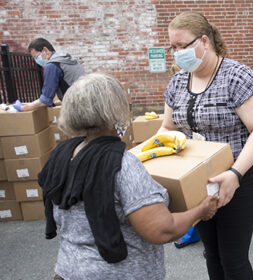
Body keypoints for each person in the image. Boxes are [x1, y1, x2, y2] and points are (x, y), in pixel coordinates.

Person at [38, 73, 219, 280]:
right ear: (115, 110)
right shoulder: (122, 165)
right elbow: (162, 230)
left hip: (67, 270)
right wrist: (201, 211)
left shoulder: (62, 155)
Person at [159, 11, 253, 279]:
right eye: (172, 48)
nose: (176, 53)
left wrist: (235, 175)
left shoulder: (236, 76)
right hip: (199, 181)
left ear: (205, 41)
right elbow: (166, 128)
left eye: (182, 46)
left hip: (239, 178)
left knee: (233, 259)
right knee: (212, 254)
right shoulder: (177, 82)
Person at [14, 38, 85, 112]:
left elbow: (45, 100)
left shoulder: (52, 65)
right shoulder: (67, 59)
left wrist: (23, 108)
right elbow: (72, 90)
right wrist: (55, 103)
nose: (36, 61)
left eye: (36, 57)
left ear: (45, 50)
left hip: (79, 110)